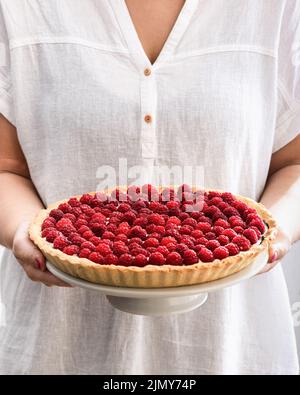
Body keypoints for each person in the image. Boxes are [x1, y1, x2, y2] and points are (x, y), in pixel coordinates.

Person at [0, 0, 299, 375]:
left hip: (234, 350)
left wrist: (277, 230)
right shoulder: (21, 7)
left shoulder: (276, 8)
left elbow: (294, 163)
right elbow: (6, 167)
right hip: (59, 350)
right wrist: (21, 232)